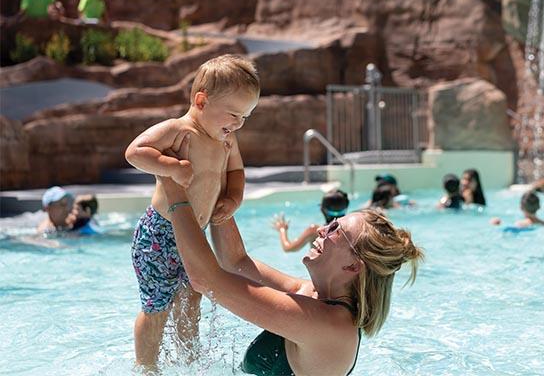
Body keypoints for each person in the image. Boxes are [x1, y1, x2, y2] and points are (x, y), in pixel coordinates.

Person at [158, 172, 423, 376]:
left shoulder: (328, 326)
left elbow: (206, 279)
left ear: (353, 266)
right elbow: (235, 262)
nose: (322, 231)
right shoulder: (310, 294)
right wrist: (219, 179)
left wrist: (173, 189)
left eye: (335, 232)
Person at [124, 55, 260, 368]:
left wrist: (233, 199)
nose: (238, 124)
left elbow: (237, 172)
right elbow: (135, 152)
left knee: (192, 296)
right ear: (201, 101)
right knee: (156, 305)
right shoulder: (179, 130)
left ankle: (189, 358)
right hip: (159, 235)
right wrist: (170, 166)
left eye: (245, 117)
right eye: (233, 114)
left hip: (193, 235)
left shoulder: (227, 139)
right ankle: (147, 367)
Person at [273, 189, 350, 252]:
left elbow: (288, 248)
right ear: (346, 209)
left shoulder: (315, 231)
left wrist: (282, 229)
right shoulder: (352, 230)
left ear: (322, 209)